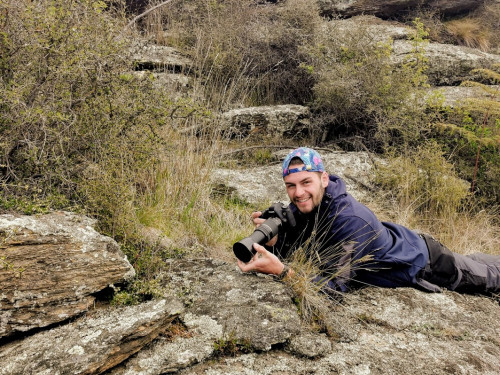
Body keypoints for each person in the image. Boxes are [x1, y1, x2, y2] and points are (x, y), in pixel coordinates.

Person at [237, 147, 500, 297]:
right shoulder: (312, 206)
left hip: (428, 263)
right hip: (406, 240)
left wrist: (282, 272)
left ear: (324, 179)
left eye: (306, 182)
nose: (298, 193)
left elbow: (333, 288)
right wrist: (275, 241)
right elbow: (314, 249)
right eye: (291, 186)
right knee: (479, 260)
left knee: (490, 277)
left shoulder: (350, 219)